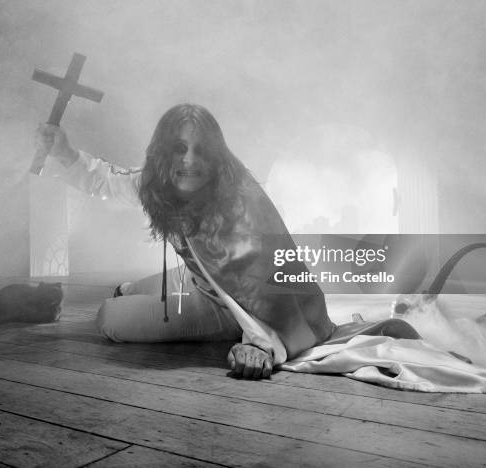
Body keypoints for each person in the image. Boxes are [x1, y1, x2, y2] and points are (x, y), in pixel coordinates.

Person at [36, 104, 418, 380]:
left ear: (216, 155)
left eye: (202, 150)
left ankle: (167, 308)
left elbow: (265, 287)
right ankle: (132, 290)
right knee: (131, 290)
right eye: (179, 148)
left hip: (230, 304)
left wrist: (261, 345)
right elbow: (106, 180)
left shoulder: (241, 204)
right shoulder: (159, 180)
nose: (190, 160)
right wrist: (65, 152)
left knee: (110, 318)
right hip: (201, 279)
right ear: (163, 153)